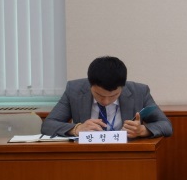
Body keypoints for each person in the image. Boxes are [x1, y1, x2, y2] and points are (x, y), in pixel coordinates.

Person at [41, 56, 173, 138]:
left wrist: (142, 130)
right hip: (86, 154)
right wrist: (77, 129)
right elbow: (48, 125)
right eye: (99, 95)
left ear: (123, 87)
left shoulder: (139, 92)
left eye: (114, 95)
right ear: (90, 85)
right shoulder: (74, 90)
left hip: (126, 155)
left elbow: (165, 125)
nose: (105, 101)